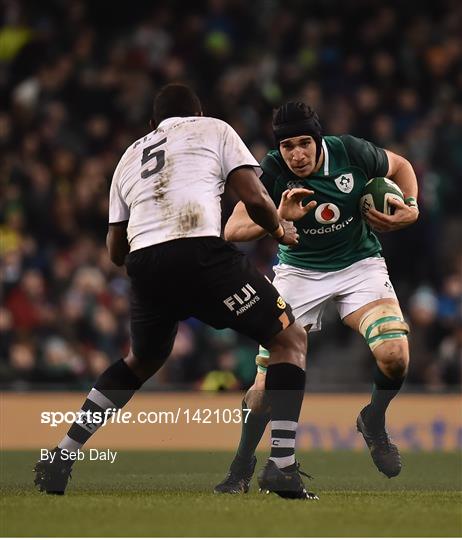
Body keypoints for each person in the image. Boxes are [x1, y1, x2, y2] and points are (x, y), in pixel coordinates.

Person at [33, 84, 318, 500]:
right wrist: (279, 230)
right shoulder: (213, 129)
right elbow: (255, 197)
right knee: (288, 338)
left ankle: (62, 453)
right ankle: (282, 466)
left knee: (139, 361)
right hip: (199, 249)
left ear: (153, 125)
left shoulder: (129, 156)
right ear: (197, 113)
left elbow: (115, 251)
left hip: (145, 264)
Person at [214, 101, 419, 494]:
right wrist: (277, 216)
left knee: (395, 356)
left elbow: (402, 167)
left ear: (318, 139)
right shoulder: (270, 171)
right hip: (298, 274)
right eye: (288, 145)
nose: (297, 154)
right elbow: (232, 228)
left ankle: (373, 420)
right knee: (261, 397)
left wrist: (411, 208)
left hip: (360, 265)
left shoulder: (352, 152)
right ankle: (241, 466)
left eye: (304, 143)